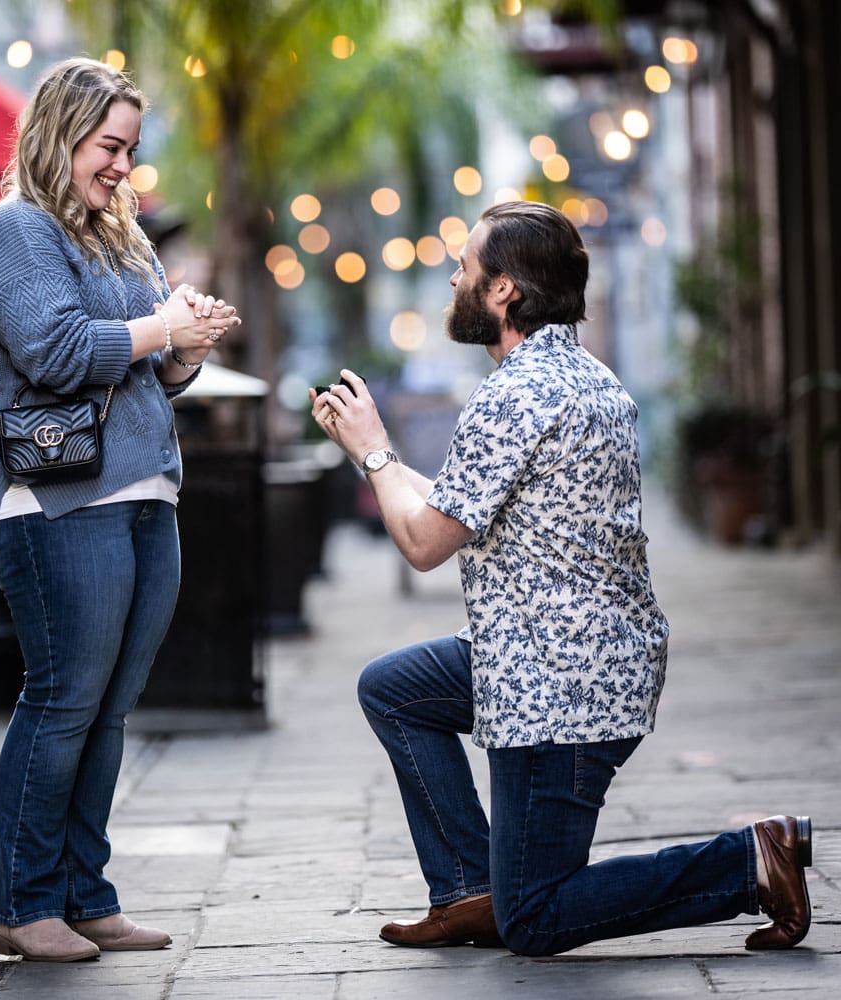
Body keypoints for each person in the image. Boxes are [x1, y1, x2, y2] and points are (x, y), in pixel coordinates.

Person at [309, 200, 812, 956]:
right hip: (568, 658)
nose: (454, 276)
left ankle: (750, 862)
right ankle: (468, 891)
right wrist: (373, 455)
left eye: (466, 266)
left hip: (558, 689)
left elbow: (422, 543)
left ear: (504, 290)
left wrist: (375, 450)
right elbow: (457, 504)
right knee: (395, 688)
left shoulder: (514, 396)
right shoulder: (586, 377)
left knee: (538, 918)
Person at [0, 58, 241, 963]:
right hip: (52, 500)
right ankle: (22, 902)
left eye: (129, 148)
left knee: (109, 706)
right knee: (64, 697)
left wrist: (186, 342)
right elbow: (53, 350)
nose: (121, 166)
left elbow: (152, 366)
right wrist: (161, 328)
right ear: (59, 133)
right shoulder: (13, 233)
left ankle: (85, 894)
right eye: (107, 146)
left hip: (144, 490)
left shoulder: (118, 238)